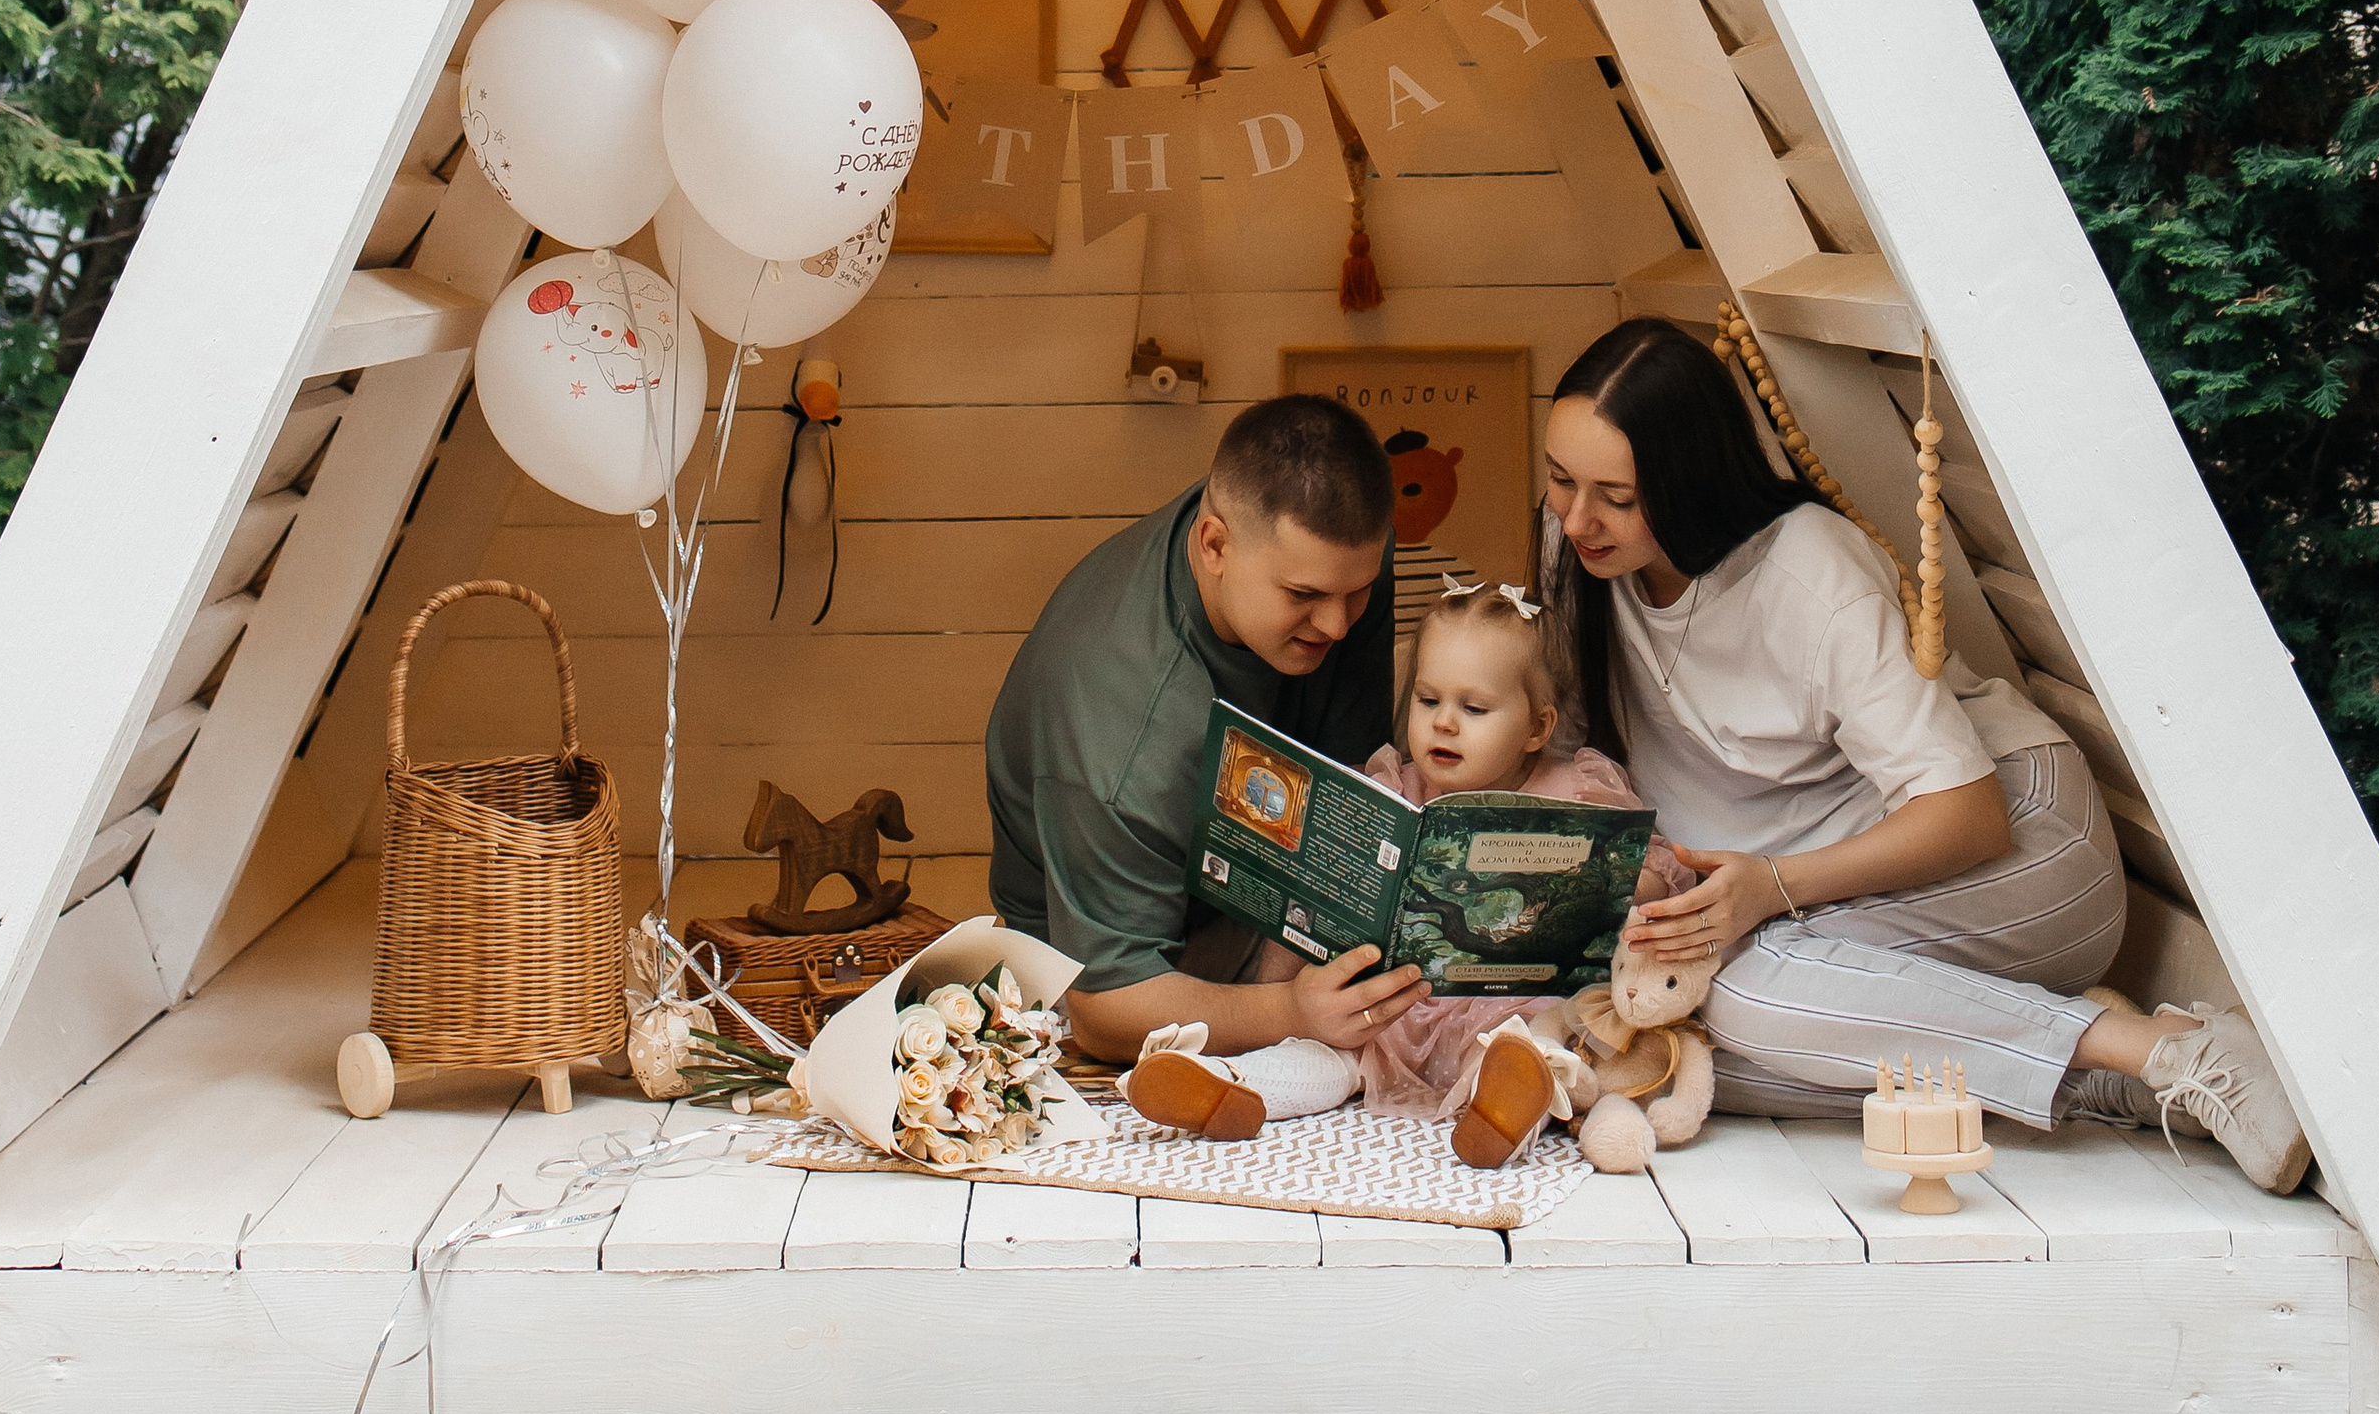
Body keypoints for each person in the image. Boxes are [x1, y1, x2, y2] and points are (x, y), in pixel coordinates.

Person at [1539, 319, 2310, 1193]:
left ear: (1689, 479)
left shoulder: (1808, 577)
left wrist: (1774, 887)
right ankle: (2097, 1078)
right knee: (1662, 1057)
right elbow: (1574, 749)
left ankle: (2169, 1050)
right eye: (1560, 480)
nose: (1576, 519)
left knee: (1747, 1008)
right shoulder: (1579, 552)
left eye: (1617, 495)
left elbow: (1967, 816)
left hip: (2015, 851)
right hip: (1825, 903)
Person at [1127, 572, 1692, 1162]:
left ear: (1537, 727)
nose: (1443, 722)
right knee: (1334, 1052)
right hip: (1395, 1007)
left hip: (1518, 1005)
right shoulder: (1396, 787)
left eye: (1473, 707)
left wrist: (1613, 886)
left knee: (1537, 1050)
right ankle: (1234, 1087)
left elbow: (1656, 873)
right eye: (1428, 700)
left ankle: (1502, 1110)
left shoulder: (1576, 791)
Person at [983, 392, 1425, 1083]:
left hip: (1272, 871)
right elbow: (1106, 1007)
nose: (1339, 625)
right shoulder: (1124, 731)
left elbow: (1353, 768)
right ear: (1213, 545)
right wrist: (1292, 1012)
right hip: (1134, 965)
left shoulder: (1334, 562)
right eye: (1303, 596)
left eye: (1359, 591)